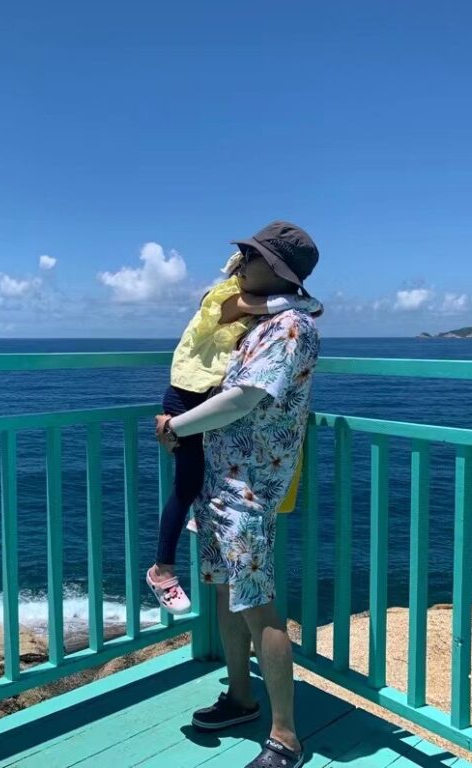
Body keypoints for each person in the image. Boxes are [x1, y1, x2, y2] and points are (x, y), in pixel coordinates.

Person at [156, 221, 321, 768]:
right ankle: (241, 697)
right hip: (221, 480)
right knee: (228, 595)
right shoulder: (263, 318)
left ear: (276, 269)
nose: (240, 261)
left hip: (249, 486)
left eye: (250, 255)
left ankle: (286, 737)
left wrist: (177, 427)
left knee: (258, 606)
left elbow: (243, 398)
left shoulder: (291, 327)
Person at [147, 247, 321, 616]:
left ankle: (197, 524)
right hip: (186, 394)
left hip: (208, 393)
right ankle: (162, 569)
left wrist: (296, 303)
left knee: (201, 475)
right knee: (187, 482)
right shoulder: (225, 295)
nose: (243, 267)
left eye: (250, 260)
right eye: (243, 261)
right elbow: (251, 307)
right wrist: (300, 301)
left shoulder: (275, 316)